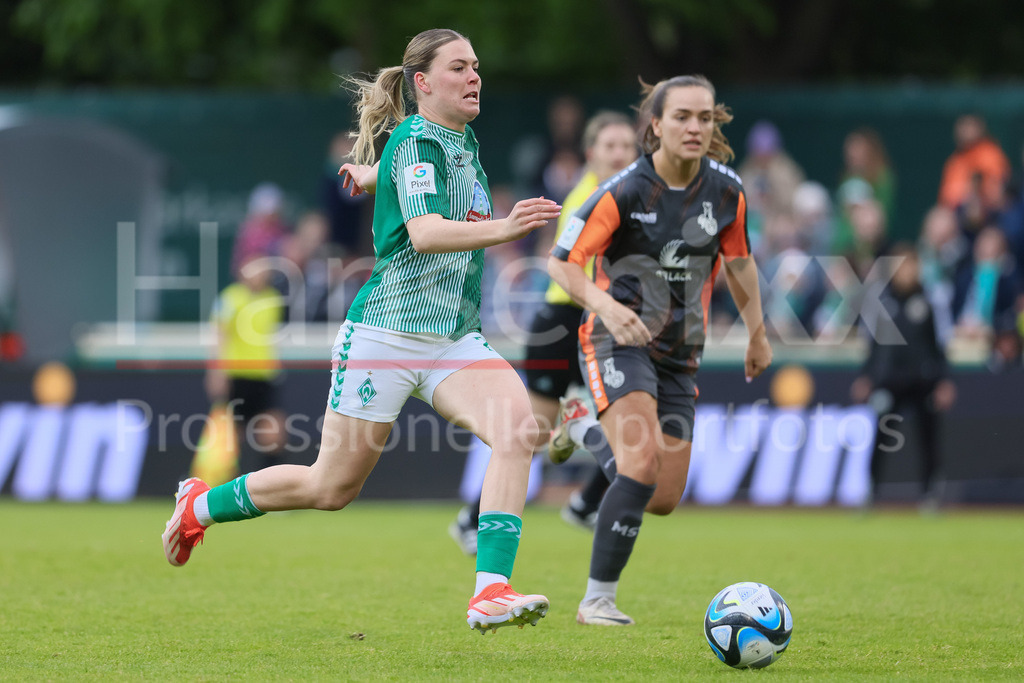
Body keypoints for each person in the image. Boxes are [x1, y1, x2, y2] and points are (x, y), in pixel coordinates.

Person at [162, 28, 561, 635]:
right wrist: (507, 230)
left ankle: (490, 590)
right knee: (330, 487)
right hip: (386, 338)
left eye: (476, 65)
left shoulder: (460, 141)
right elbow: (425, 231)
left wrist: (369, 178)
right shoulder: (415, 136)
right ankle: (199, 506)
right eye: (459, 67)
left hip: (452, 338)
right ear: (423, 83)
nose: (475, 76)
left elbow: (416, 178)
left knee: (517, 429)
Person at [547, 75, 772, 626]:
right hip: (616, 341)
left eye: (704, 118)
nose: (695, 127)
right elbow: (560, 264)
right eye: (682, 117)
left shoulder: (727, 192)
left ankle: (579, 422)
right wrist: (606, 306)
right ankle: (597, 600)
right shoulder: (624, 189)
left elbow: (739, 262)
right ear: (656, 125)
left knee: (662, 495)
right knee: (641, 464)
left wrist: (757, 332)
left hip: (680, 352)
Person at [448, 111, 639, 553]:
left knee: (629, 418)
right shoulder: (591, 198)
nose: (620, 154)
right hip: (564, 321)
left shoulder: (626, 196)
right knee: (532, 433)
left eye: (627, 147)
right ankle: (473, 518)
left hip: (595, 322)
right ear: (591, 154)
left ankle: (586, 504)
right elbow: (578, 269)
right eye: (610, 146)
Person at [851, 243, 956, 511]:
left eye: (911, 265)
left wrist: (943, 380)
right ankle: (871, 490)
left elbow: (939, 345)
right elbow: (872, 346)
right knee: (881, 439)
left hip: (923, 381)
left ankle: (930, 493)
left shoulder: (931, 301)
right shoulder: (881, 300)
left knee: (927, 438)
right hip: (889, 382)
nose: (906, 271)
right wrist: (867, 377)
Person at [205, 250, 287, 473]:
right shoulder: (230, 298)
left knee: (273, 434)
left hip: (264, 376)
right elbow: (219, 334)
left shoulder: (273, 299)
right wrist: (216, 371)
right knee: (230, 439)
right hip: (236, 375)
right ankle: (227, 489)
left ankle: (275, 490)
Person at [938, 113, 1010, 214]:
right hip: (956, 211)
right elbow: (946, 197)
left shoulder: (990, 154)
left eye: (969, 126)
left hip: (986, 211)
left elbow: (996, 191)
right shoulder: (955, 160)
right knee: (938, 219)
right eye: (962, 126)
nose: (964, 130)